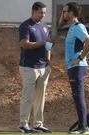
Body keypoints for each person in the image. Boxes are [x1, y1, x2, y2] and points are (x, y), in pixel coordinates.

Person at [58, 2, 89, 134]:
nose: (63, 14)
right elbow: (59, 24)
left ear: (72, 13)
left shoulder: (78, 27)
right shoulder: (72, 27)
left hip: (78, 67)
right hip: (73, 67)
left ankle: (83, 127)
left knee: (79, 97)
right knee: (77, 97)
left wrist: (79, 58)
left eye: (65, 11)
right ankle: (82, 126)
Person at [18, 1, 52, 134]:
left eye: (44, 12)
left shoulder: (45, 26)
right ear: (33, 11)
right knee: (28, 96)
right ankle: (23, 125)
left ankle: (38, 124)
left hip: (44, 67)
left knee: (40, 97)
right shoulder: (25, 26)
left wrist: (49, 60)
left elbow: (48, 44)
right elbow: (24, 44)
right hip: (29, 67)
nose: (43, 15)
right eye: (40, 12)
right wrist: (41, 43)